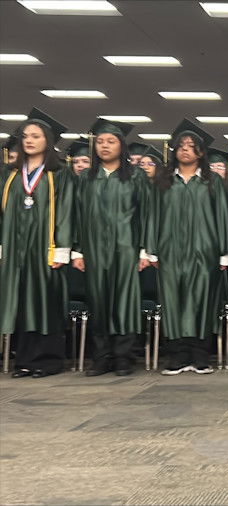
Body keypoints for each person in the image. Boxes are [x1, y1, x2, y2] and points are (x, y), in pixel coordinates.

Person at [148, 120, 228, 375]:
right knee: (173, 300)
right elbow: (153, 215)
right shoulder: (163, 181)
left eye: (191, 146)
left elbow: (222, 216)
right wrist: (151, 249)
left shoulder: (211, 181)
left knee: (202, 300)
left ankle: (199, 354)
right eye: (181, 146)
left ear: (201, 152)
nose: (185, 150)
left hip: (204, 250)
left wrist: (224, 251)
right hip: (169, 249)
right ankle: (177, 355)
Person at [72, 118, 152, 377]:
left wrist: (144, 250)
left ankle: (123, 357)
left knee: (125, 302)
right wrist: (78, 250)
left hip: (126, 247)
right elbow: (76, 214)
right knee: (98, 300)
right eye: (100, 142)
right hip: (94, 248)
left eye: (111, 141)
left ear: (122, 146)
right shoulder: (86, 177)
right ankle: (101, 356)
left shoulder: (135, 176)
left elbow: (146, 214)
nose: (105, 146)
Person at [0, 109, 74, 378]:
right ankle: (25, 359)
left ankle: (49, 360)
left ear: (48, 140)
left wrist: (62, 249)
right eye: (25, 136)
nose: (29, 140)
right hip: (16, 250)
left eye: (36, 136)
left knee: (45, 302)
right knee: (20, 301)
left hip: (46, 250)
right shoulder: (9, 175)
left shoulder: (60, 174)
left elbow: (66, 212)